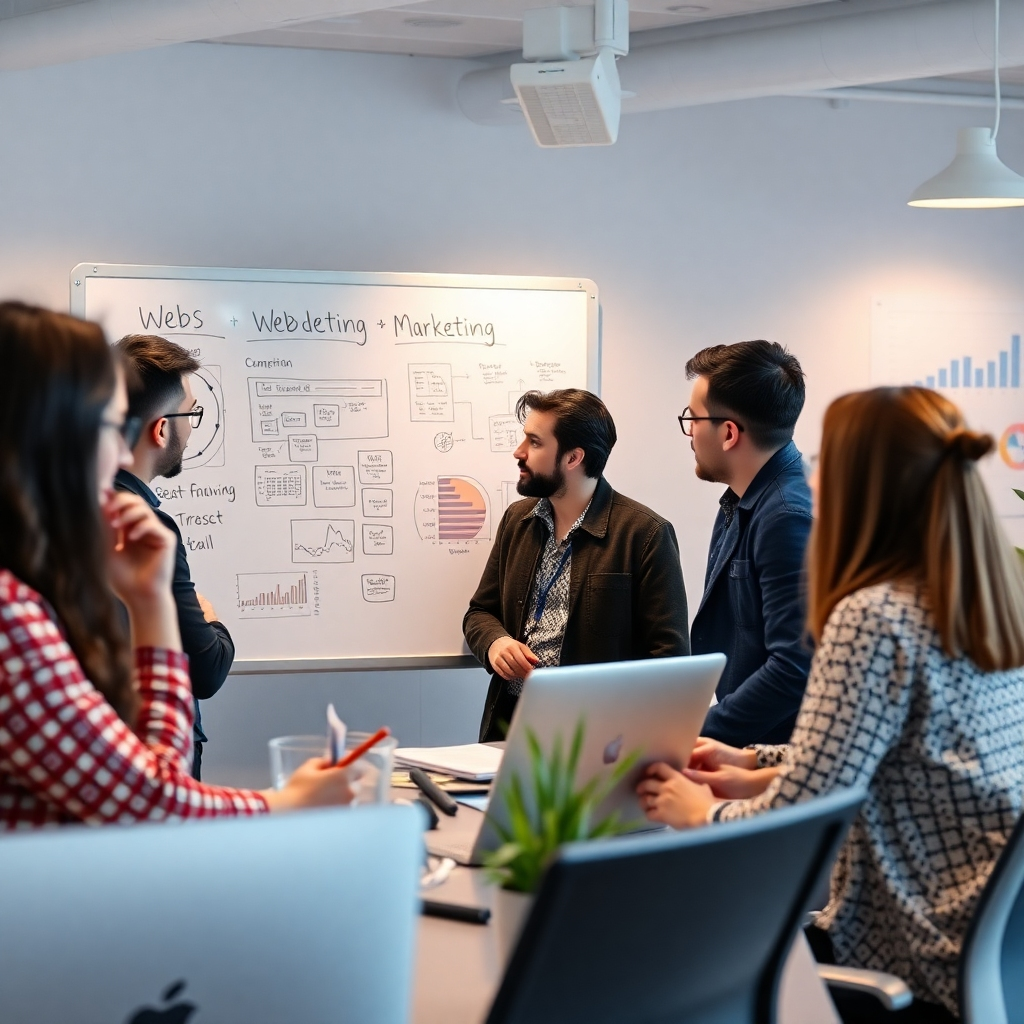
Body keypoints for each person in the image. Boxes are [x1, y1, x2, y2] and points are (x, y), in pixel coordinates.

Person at [637, 387, 1024, 1022]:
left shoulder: (873, 618)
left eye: (826, 463)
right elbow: (896, 751)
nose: (812, 478)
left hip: (904, 963)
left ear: (859, 486)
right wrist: (752, 758)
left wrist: (699, 812)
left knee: (666, 955)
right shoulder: (987, 606)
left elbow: (804, 811)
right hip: (981, 961)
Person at [0, 302, 353, 827]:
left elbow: (156, 772)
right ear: (49, 438)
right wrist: (289, 802)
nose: (121, 457)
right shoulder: (11, 617)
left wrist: (150, 604)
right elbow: (152, 801)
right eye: (104, 426)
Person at [464, 388, 689, 742]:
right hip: (511, 725)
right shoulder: (518, 520)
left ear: (573, 458)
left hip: (599, 738)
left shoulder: (645, 534)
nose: (519, 452)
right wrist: (495, 644)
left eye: (534, 442)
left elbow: (669, 660)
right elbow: (479, 612)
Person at [682, 340, 813, 746]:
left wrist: (689, 735)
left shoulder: (787, 515)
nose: (689, 434)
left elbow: (794, 667)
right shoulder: (743, 500)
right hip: (747, 748)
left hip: (774, 763)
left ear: (728, 433)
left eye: (693, 419)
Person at [114, 334, 229, 780]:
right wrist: (213, 621)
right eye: (192, 413)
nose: (193, 424)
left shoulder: (64, 516)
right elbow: (206, 668)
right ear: (161, 429)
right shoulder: (148, 531)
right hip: (151, 773)